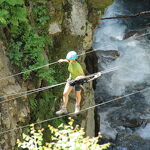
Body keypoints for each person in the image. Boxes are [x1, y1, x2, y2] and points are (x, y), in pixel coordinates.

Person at [56, 51, 85, 115]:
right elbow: (67, 60)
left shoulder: (78, 66)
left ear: (74, 59)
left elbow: (83, 75)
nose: (68, 61)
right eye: (68, 60)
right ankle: (64, 108)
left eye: (70, 60)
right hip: (71, 79)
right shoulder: (70, 61)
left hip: (78, 80)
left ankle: (77, 107)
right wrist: (62, 60)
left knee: (77, 95)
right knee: (65, 93)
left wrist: (79, 77)